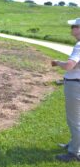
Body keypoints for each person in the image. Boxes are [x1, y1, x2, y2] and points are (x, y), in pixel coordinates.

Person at [52, 18, 80, 162]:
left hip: (75, 85)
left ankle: (75, 152)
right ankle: (75, 143)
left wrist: (58, 63)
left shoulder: (79, 46)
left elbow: (69, 65)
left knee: (74, 121)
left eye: (74, 26)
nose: (71, 29)